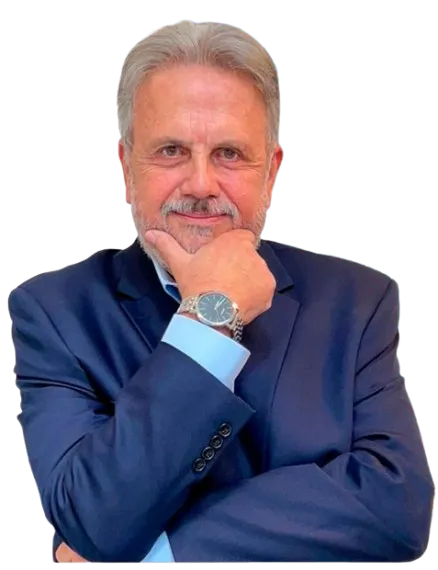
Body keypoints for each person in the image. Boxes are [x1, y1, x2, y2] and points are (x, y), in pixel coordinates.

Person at [9, 20, 432, 564]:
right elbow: (93, 519)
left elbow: (397, 506)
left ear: (270, 171)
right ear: (127, 167)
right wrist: (211, 318)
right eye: (171, 150)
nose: (202, 184)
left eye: (229, 153)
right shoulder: (55, 313)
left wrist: (162, 551)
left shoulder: (355, 303)